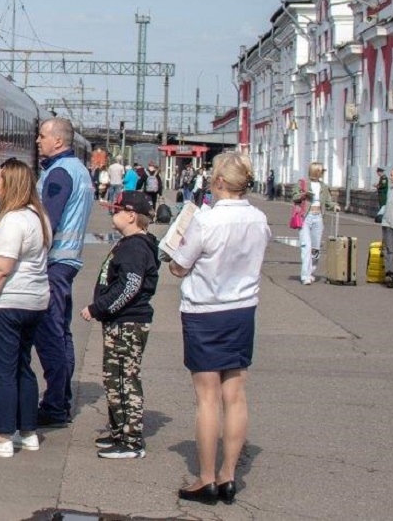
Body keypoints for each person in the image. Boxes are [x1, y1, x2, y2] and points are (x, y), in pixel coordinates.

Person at [166, 151, 271, 506]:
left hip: (205, 312)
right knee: (235, 395)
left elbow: (179, 267)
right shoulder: (258, 219)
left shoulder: (206, 220)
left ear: (221, 182)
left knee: (207, 398)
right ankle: (229, 476)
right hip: (242, 310)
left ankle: (206, 478)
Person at [0, 158, 51, 457]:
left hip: (5, 305)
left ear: (9, 184)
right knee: (21, 367)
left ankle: (3, 437)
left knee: (0, 371)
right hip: (33, 303)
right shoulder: (38, 216)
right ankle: (27, 432)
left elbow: (1, 269)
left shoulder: (12, 221)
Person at [80, 190, 160, 460]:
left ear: (131, 215)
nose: (112, 214)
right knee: (113, 378)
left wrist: (98, 308)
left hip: (128, 323)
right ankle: (119, 432)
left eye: (116, 210)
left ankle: (131, 440)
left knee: (125, 379)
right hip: (119, 321)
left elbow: (129, 286)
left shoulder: (135, 247)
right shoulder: (130, 244)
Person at [33, 117, 96, 427]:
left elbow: (48, 221)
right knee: (61, 332)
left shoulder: (59, 173)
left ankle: (55, 405)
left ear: (57, 141)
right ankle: (61, 400)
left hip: (54, 263)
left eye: (42, 136)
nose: (38, 141)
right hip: (66, 262)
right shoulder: (78, 170)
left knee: (50, 334)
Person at [300, 162, 326, 285]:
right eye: (321, 171)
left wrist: (334, 205)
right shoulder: (303, 183)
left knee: (315, 248)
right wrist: (303, 195)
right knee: (306, 246)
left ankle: (310, 272)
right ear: (316, 171)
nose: (323, 173)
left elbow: (328, 201)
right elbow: (294, 196)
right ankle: (305, 276)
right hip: (306, 217)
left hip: (318, 217)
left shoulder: (324, 186)